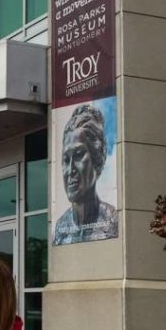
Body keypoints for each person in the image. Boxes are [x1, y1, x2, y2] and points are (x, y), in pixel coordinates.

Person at [52, 102, 118, 245]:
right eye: (65, 159)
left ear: (97, 159)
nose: (70, 170)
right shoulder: (60, 228)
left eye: (79, 155)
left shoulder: (112, 220)